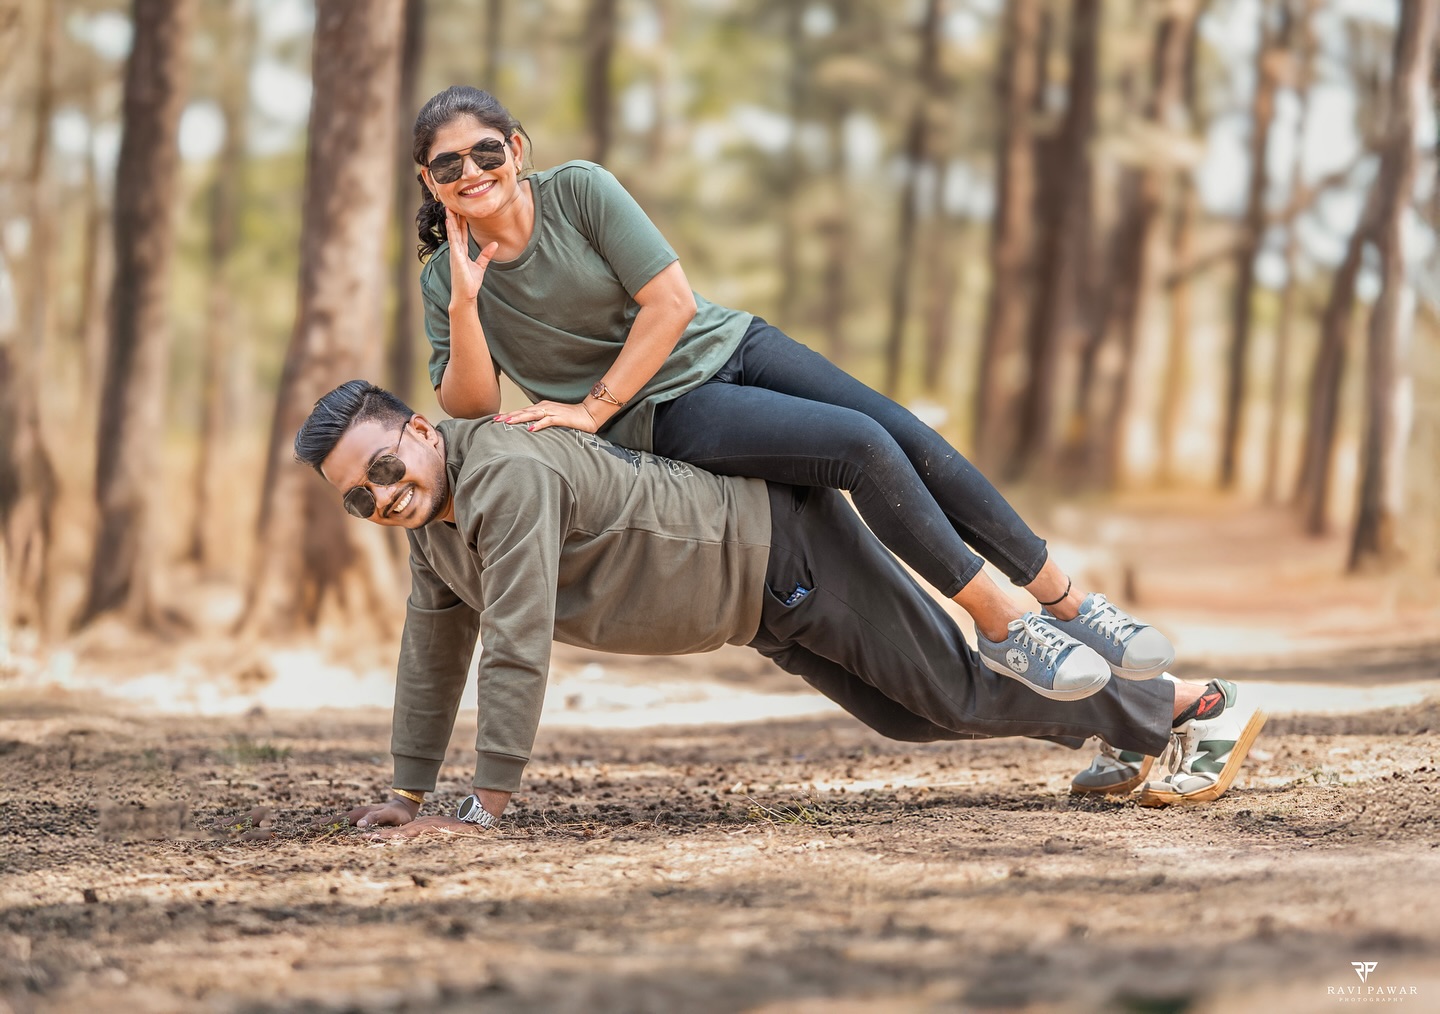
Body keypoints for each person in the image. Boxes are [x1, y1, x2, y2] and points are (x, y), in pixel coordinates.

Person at [411, 85, 1166, 711]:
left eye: (487, 151)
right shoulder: (445, 279)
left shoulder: (578, 190)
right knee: (857, 448)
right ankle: (1000, 622)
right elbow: (470, 403)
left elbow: (669, 304)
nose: (472, 172)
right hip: (660, 411)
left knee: (900, 431)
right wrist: (467, 306)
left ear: (515, 147)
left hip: (731, 343)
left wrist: (588, 405)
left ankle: (1068, 605)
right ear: (429, 182)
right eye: (449, 166)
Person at [291, 381, 1267, 838]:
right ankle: (1126, 731)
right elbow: (432, 648)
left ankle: (1186, 708)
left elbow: (512, 640)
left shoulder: (497, 472)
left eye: (385, 468)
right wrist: (410, 788)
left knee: (956, 690)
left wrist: (482, 809)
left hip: (782, 550)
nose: (382, 496)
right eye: (358, 497)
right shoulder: (434, 527)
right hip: (760, 602)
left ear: (419, 431)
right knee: (914, 712)